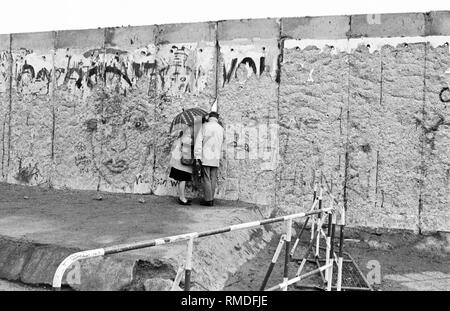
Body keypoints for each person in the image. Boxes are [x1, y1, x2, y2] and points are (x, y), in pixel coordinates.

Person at [194, 111, 224, 206]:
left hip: (206, 156)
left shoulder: (204, 126)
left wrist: (197, 156)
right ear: (217, 118)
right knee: (213, 178)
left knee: (206, 178)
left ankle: (208, 200)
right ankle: (211, 199)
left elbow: (198, 141)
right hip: (216, 157)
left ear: (209, 117)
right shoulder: (221, 128)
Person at [169, 129, 194, 205]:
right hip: (182, 163)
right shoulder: (187, 138)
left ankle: (182, 197)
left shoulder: (181, 137)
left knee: (182, 179)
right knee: (183, 179)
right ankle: (182, 198)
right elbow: (187, 150)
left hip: (178, 162)